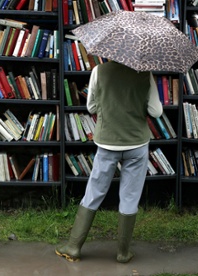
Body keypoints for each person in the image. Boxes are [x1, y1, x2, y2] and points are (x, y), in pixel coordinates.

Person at [55, 61, 163, 263]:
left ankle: (73, 246)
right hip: (136, 143)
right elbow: (156, 111)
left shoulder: (98, 71)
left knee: (94, 191)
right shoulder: (145, 73)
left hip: (107, 143)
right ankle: (123, 253)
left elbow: (91, 107)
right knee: (130, 197)